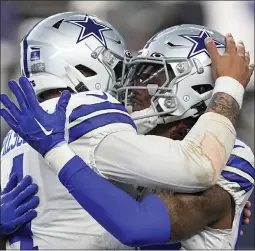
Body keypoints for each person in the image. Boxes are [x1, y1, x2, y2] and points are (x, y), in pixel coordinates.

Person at [0, 24, 254, 249]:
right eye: (138, 74)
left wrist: (56, 151)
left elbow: (138, 225)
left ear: (198, 86)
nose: (137, 86)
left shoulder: (230, 157)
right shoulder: (131, 149)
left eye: (155, 75)